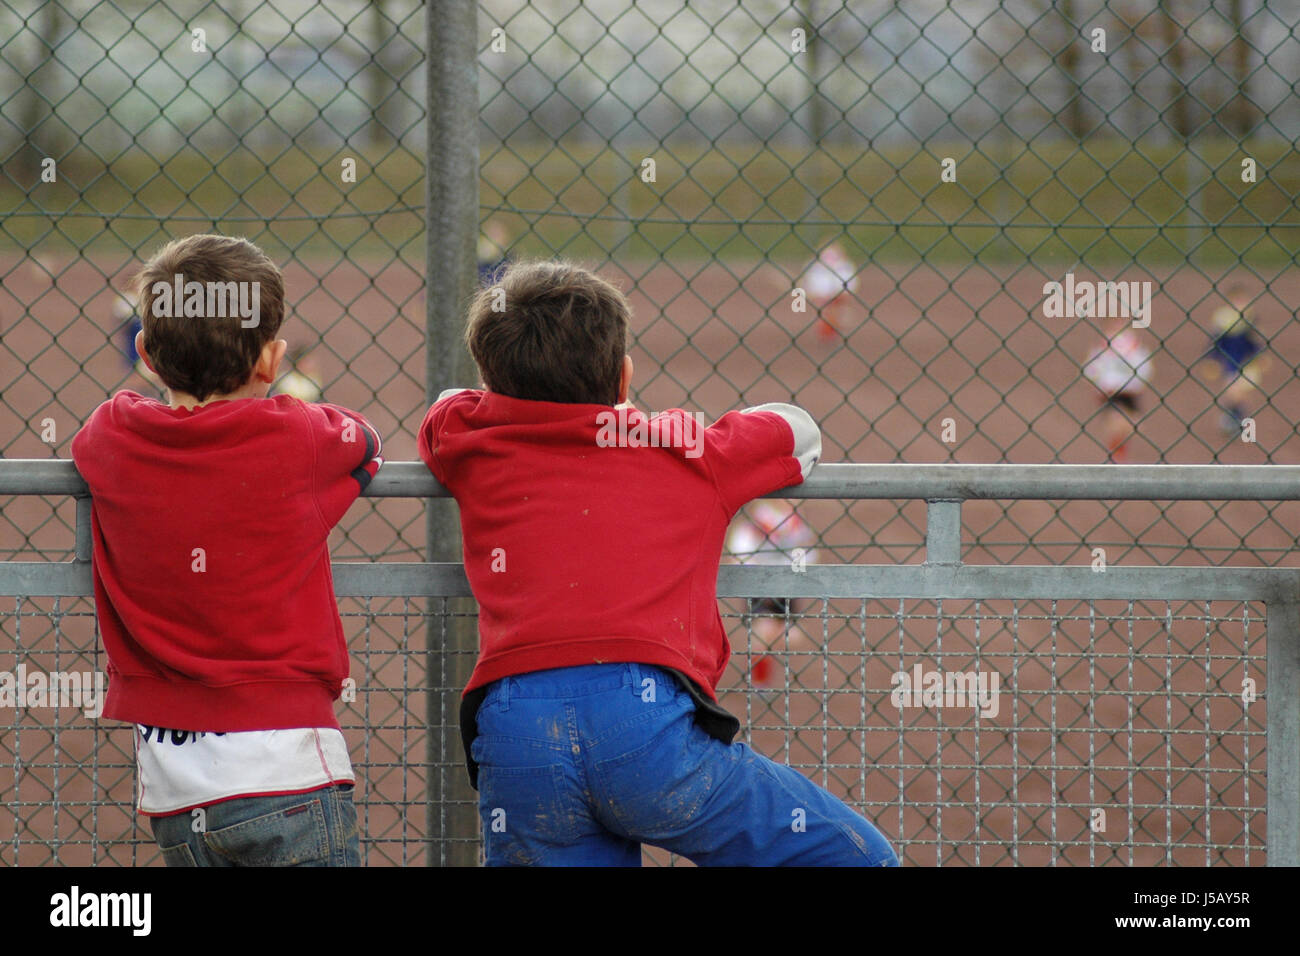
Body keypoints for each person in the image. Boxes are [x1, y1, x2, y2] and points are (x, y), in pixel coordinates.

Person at [418, 259, 899, 867]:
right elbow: (798, 433)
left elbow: (446, 407)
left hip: (517, 733)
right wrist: (652, 425)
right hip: (646, 733)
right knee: (857, 856)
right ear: (624, 379)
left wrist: (498, 403)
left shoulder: (472, 440)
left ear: (491, 384)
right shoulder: (685, 449)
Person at [71, 234, 382, 866]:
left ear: (145, 355)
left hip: (174, 785)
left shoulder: (112, 434)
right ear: (271, 360)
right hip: (287, 766)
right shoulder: (295, 435)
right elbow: (366, 444)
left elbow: (113, 422)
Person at [726, 500, 817, 689]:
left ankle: (765, 654)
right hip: (759, 587)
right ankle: (760, 682)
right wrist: (756, 577)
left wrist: (795, 573)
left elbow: (807, 554)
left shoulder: (796, 525)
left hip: (786, 587)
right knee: (762, 633)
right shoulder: (757, 523)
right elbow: (740, 554)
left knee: (791, 636)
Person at [1082, 316, 1154, 463]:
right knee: (1116, 424)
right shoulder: (1104, 346)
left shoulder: (1133, 346)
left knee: (1128, 427)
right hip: (1113, 391)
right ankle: (1117, 458)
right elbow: (1093, 368)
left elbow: (1143, 366)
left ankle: (1119, 456)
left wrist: (1138, 383)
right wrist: (1099, 386)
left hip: (1129, 391)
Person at [1201, 284, 1269, 435]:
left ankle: (1235, 419)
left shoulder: (1250, 317)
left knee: (1238, 392)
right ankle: (1235, 418)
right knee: (1232, 392)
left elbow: (1255, 342)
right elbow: (1216, 341)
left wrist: (1261, 357)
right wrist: (1211, 359)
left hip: (1247, 362)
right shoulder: (1223, 318)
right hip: (1230, 361)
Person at [802, 241, 858, 342]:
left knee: (830, 311)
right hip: (827, 292)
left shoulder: (843, 267)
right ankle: (828, 327)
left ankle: (829, 326)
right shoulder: (817, 267)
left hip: (834, 292)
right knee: (828, 312)